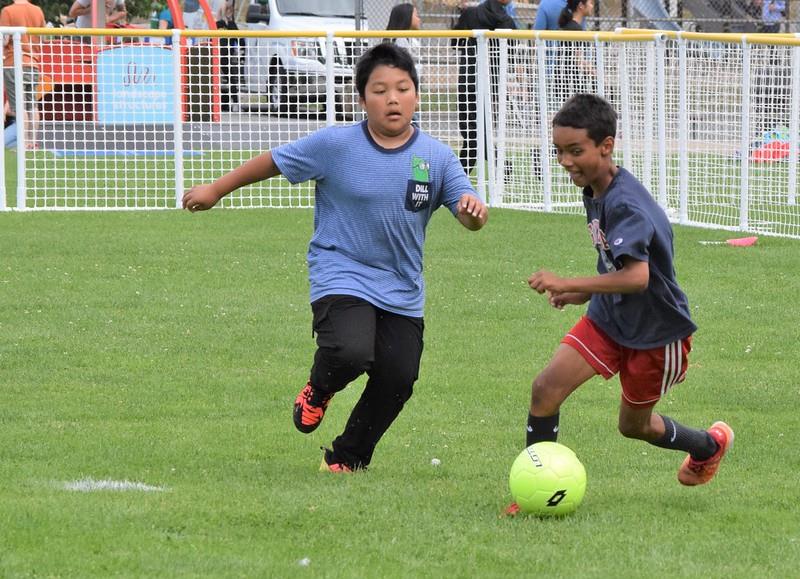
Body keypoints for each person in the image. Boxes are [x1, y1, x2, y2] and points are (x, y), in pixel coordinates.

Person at [182, 43, 489, 473]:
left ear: (417, 95)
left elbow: (465, 207)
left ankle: (346, 457)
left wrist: (473, 214)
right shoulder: (335, 144)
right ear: (362, 99)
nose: (393, 99)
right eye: (380, 90)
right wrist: (215, 190)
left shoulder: (436, 157)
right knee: (349, 350)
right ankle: (318, 389)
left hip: (401, 285)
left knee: (399, 377)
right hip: (340, 270)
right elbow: (273, 162)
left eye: (403, 88)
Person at [505, 94, 733, 515]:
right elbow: (617, 262)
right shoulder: (595, 186)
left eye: (575, 151)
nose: (565, 161)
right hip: (610, 317)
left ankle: (708, 445)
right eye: (558, 151)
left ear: (606, 146)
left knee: (634, 426)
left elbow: (638, 276)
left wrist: (567, 280)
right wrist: (585, 293)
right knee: (545, 389)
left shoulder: (624, 202)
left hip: (655, 333)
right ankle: (531, 488)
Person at [451, 0, 516, 175]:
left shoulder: (470, 14)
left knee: (471, 130)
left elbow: (455, 42)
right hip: (492, 82)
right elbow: (511, 54)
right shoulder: (507, 22)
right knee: (477, 130)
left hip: (468, 79)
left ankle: (461, 175)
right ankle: (500, 165)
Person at [1, 0, 46, 149]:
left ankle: (24, 143)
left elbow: (5, 39)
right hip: (32, 63)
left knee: (20, 106)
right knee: (32, 104)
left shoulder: (7, 11)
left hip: (13, 63)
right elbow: (43, 38)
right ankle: (33, 142)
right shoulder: (37, 10)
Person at [385, 3, 422, 124]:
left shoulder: (410, 39)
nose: (419, 19)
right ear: (407, 18)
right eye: (416, 15)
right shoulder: (400, 41)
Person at [556, 0, 596, 99]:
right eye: (590, 3)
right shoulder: (575, 29)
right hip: (570, 84)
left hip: (565, 82)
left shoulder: (571, 26)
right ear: (581, 6)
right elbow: (578, 60)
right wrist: (596, 74)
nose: (592, 6)